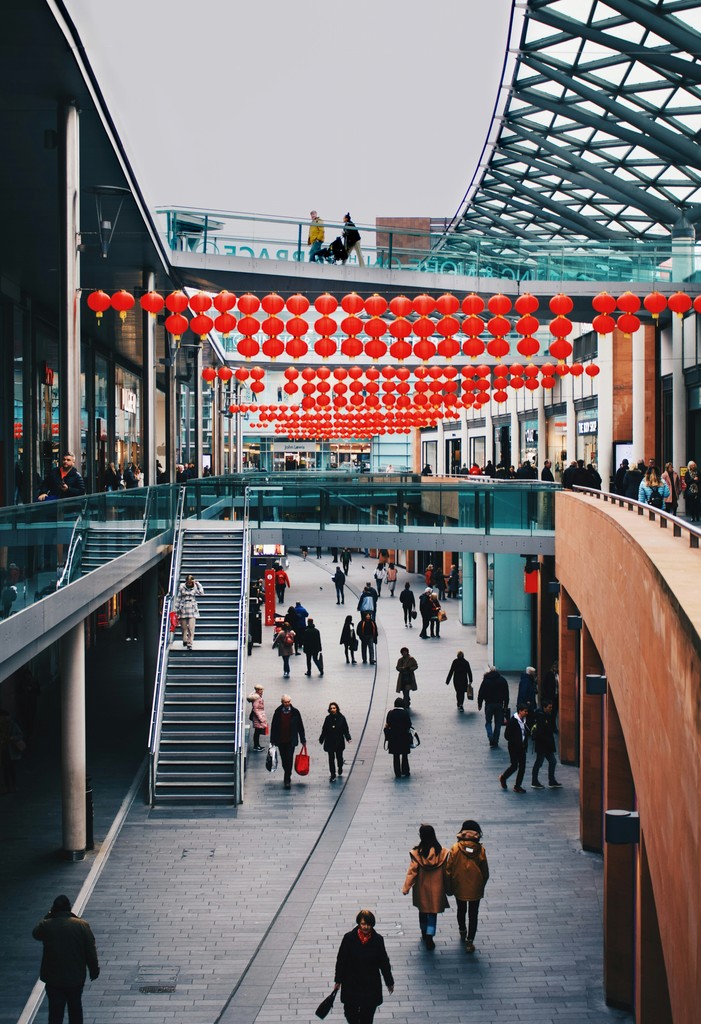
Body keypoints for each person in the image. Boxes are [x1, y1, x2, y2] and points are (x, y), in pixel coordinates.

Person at [32, 894, 99, 1024]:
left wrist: (48, 915)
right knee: (75, 1010)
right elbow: (90, 950)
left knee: (55, 1013)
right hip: (75, 977)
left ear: (54, 909)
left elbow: (36, 933)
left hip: (53, 978)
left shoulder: (46, 925)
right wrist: (94, 969)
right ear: (69, 907)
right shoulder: (81, 925)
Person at [333, 909, 394, 1022]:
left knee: (367, 1016)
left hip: (370, 984)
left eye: (368, 924)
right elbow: (341, 960)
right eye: (363, 924)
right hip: (352, 983)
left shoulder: (378, 940)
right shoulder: (349, 938)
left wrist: (389, 982)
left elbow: (384, 962)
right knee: (350, 1013)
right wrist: (338, 980)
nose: (366, 927)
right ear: (359, 924)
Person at [401, 824, 450, 950]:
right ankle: (429, 936)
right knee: (433, 914)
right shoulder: (442, 853)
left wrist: (406, 887)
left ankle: (423, 931)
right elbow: (447, 872)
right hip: (437, 890)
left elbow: (412, 872)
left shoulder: (418, 854)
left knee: (422, 911)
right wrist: (449, 888)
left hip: (422, 889)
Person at [445, 820, 490, 952]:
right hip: (475, 888)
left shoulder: (455, 848)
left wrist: (449, 886)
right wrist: (481, 885)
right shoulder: (480, 850)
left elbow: (448, 869)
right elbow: (485, 872)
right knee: (473, 914)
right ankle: (470, 942)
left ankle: (462, 930)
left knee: (461, 909)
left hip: (459, 886)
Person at [269, 694, 306, 790]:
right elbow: (274, 726)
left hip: (291, 740)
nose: (287, 704)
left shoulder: (295, 712)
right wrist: (272, 740)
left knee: (289, 758)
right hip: (281, 740)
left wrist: (303, 739)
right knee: (284, 759)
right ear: (282, 702)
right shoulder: (278, 712)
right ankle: (287, 772)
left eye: (288, 702)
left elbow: (300, 726)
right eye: (285, 702)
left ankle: (287, 778)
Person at [531, 700, 562, 788]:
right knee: (539, 762)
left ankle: (551, 781)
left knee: (552, 761)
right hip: (543, 745)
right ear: (544, 707)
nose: (551, 709)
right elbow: (541, 732)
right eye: (549, 707)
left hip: (546, 745)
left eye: (551, 707)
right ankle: (535, 781)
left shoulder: (545, 715)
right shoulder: (541, 717)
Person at [499, 703, 530, 793]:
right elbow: (506, 735)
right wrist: (515, 741)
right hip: (514, 747)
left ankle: (517, 786)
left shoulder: (524, 720)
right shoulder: (513, 721)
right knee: (514, 766)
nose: (527, 713)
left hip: (522, 747)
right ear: (520, 711)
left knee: (522, 766)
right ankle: (503, 777)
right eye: (525, 711)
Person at [477, 666, 510, 747]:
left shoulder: (486, 681)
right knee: (498, 723)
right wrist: (506, 705)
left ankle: (490, 735)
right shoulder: (502, 680)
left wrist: (479, 704)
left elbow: (481, 693)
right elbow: (506, 694)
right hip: (499, 704)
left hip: (489, 704)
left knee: (488, 722)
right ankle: (495, 740)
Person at [319, 701, 351, 783]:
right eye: (331, 708)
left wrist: (348, 738)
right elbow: (324, 729)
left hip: (339, 741)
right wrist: (322, 738)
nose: (332, 710)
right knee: (331, 758)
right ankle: (332, 774)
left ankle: (340, 767)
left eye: (334, 708)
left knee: (339, 757)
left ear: (337, 709)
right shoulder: (327, 718)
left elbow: (345, 729)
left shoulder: (342, 718)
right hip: (330, 741)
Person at [174, 574, 204, 651]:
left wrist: (198, 584)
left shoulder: (195, 587)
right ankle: (185, 639)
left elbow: (201, 593)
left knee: (191, 627)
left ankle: (190, 643)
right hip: (183, 608)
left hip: (192, 609)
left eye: (191, 582)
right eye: (188, 582)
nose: (189, 584)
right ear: (186, 582)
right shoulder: (182, 587)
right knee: (183, 627)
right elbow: (178, 598)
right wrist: (175, 610)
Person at [385, 697, 412, 778]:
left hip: (393, 738)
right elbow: (409, 724)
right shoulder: (405, 713)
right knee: (404, 755)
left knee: (396, 756)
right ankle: (405, 770)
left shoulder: (390, 713)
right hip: (404, 738)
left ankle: (397, 773)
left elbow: (388, 724)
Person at [246, 685, 267, 751]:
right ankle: (256, 746)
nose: (262, 691)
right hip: (258, 717)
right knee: (257, 732)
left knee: (257, 732)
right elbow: (256, 709)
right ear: (257, 690)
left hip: (257, 716)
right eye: (261, 690)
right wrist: (261, 718)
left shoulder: (256, 696)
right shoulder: (257, 698)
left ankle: (257, 745)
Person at [541, 660, 559, 732]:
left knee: (554, 712)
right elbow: (545, 685)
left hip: (556, 696)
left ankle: (553, 726)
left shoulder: (558, 675)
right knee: (550, 712)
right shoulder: (549, 674)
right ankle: (550, 726)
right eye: (556, 667)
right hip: (550, 696)